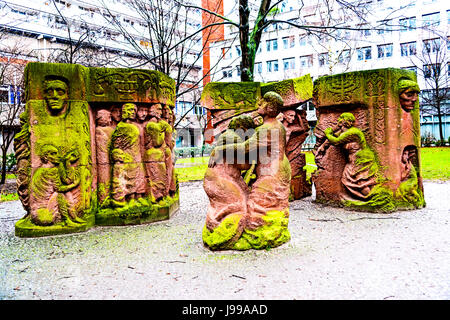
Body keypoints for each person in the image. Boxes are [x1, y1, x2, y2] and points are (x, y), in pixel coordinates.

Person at [322, 112, 378, 200]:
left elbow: (336, 141)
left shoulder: (352, 132)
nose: (338, 120)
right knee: (352, 178)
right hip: (355, 158)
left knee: (358, 180)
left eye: (340, 118)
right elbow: (336, 136)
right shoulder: (346, 131)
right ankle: (369, 196)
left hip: (361, 158)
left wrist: (328, 134)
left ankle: (371, 197)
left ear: (345, 121)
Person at [110, 103, 147, 206]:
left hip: (137, 154)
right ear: (124, 112)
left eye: (134, 111)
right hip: (127, 155)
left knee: (139, 175)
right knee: (130, 177)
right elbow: (117, 143)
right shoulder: (121, 127)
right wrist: (118, 154)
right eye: (130, 110)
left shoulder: (136, 126)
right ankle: (131, 198)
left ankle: (139, 196)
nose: (132, 113)